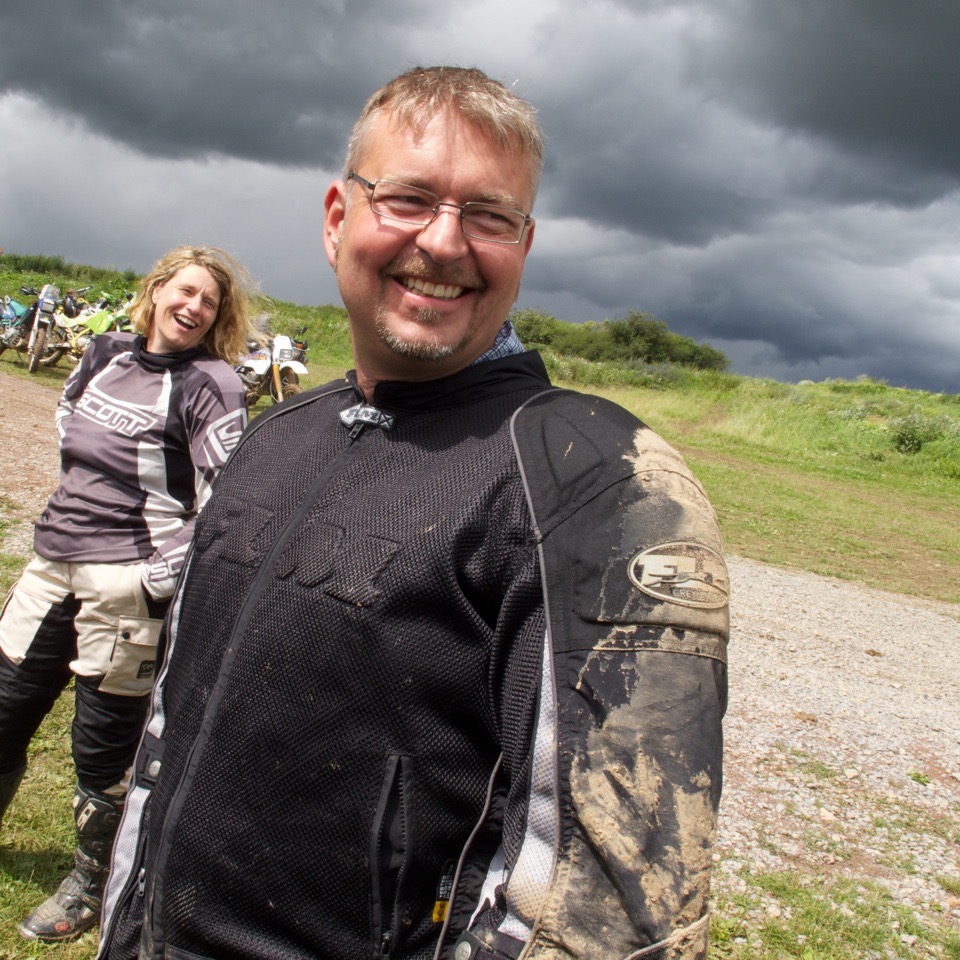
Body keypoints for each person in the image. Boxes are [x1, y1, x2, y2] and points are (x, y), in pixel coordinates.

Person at [98, 67, 730, 960]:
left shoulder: (598, 486)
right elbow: (164, 740)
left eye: (489, 215)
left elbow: (609, 917)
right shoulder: (272, 438)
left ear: (525, 242)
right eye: (409, 197)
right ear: (336, 219)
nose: (444, 242)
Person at [0, 244, 252, 942]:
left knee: (103, 744)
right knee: (6, 704)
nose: (193, 307)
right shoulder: (105, 351)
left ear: (218, 317)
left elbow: (226, 501)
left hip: (127, 588)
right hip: (51, 565)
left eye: (209, 301)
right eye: (185, 290)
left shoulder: (214, 384)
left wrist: (154, 574)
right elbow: (68, 423)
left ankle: (91, 879)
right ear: (156, 289)